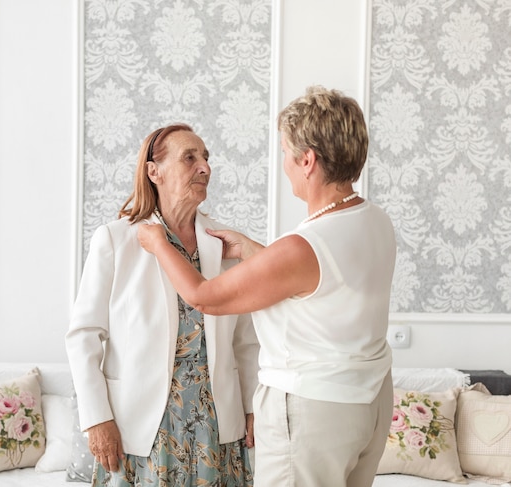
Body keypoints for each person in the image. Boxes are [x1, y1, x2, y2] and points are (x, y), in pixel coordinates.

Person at [138, 86, 397, 487]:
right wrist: (257, 252)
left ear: (307, 160)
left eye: (285, 152)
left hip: (314, 415)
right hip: (368, 405)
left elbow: (204, 297)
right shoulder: (375, 220)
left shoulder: (304, 246)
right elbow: (320, 288)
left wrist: (157, 243)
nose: (285, 163)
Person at [65, 123, 259, 487]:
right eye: (190, 158)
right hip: (140, 427)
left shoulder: (225, 244)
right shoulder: (116, 239)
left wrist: (251, 408)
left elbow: (245, 341)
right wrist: (96, 419)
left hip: (216, 424)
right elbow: (83, 336)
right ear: (154, 171)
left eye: (206, 158)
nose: (205, 167)